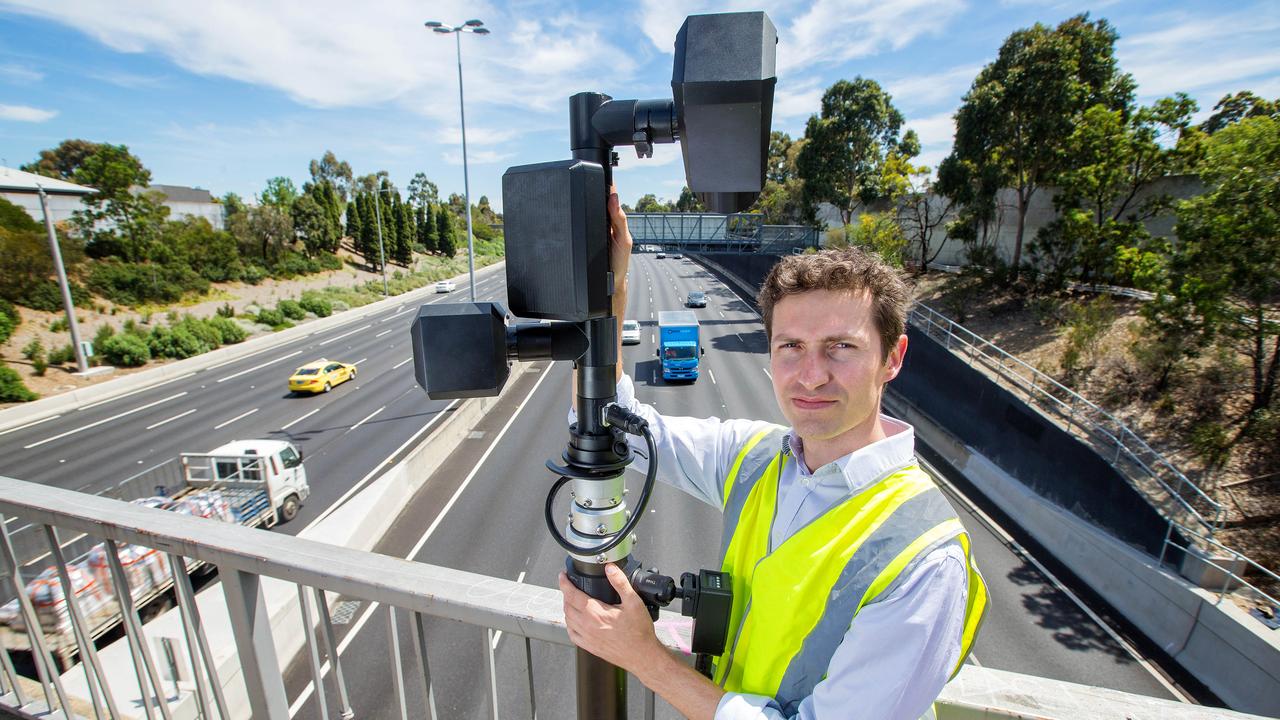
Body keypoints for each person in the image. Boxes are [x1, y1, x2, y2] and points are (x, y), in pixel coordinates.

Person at [559, 189, 988, 720]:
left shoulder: (924, 559)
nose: (811, 375)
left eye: (842, 346)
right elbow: (608, 422)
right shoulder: (758, 457)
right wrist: (613, 288)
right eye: (791, 347)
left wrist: (646, 660)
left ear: (892, 358)